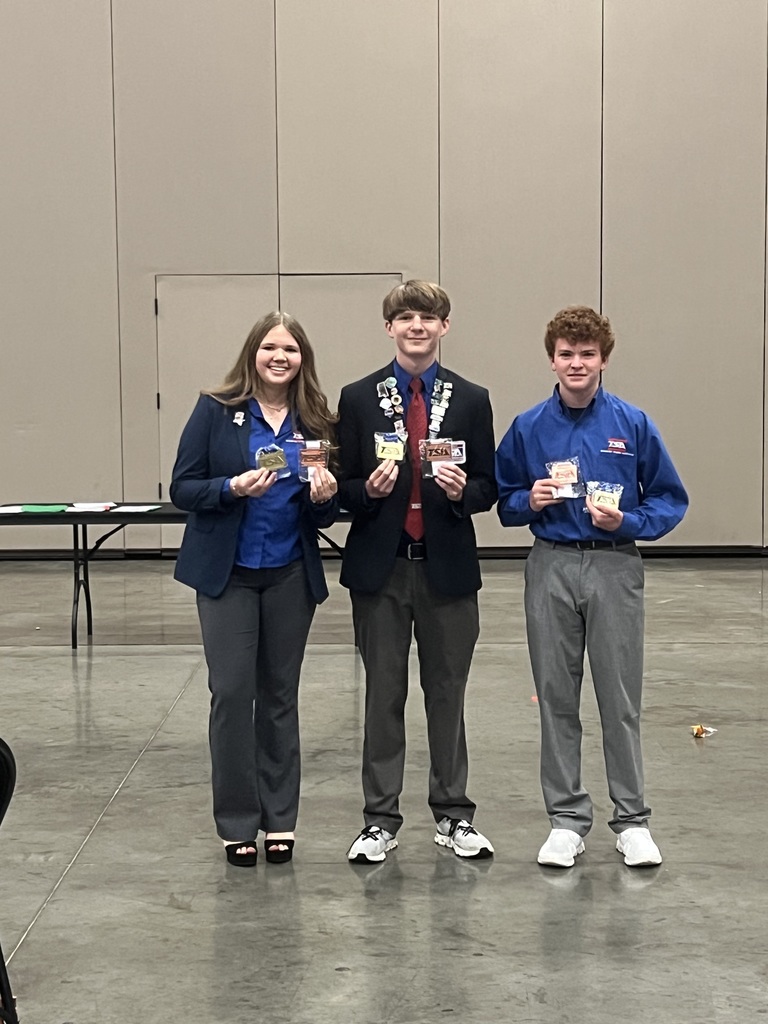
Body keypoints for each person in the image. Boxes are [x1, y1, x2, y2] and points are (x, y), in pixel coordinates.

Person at [496, 305, 688, 868]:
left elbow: (670, 500)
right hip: (551, 564)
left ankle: (632, 820)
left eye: (586, 354)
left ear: (603, 359)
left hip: (614, 566)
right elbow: (503, 499)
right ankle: (566, 819)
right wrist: (526, 501)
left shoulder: (632, 424)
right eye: (565, 354)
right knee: (556, 695)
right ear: (552, 359)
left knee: (619, 697)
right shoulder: (529, 427)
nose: (576, 363)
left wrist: (626, 523)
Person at [170, 312, 338, 867]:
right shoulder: (216, 412)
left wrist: (324, 497)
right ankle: (237, 821)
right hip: (229, 577)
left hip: (290, 573)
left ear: (302, 359)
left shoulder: (316, 420)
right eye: (270, 347)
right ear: (253, 353)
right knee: (232, 693)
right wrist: (230, 486)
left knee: (280, 697)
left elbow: (326, 512)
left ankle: (280, 820)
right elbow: (184, 487)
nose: (279, 357)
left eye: (290, 349)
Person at [337, 280, 497, 863]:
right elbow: (340, 491)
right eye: (404, 317)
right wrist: (366, 490)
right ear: (389, 328)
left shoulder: (472, 398)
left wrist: (461, 492)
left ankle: (453, 814)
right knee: (383, 693)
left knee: (447, 693)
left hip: (446, 568)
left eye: (427, 317)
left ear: (444, 327)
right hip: (381, 570)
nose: (416, 326)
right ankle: (379, 819)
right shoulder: (357, 398)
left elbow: (489, 485)